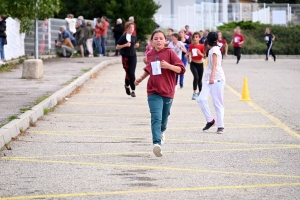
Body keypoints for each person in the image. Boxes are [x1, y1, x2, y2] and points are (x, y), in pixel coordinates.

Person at [134, 30, 186, 157]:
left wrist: (169, 66)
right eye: (155, 38)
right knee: (156, 117)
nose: (158, 40)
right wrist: (141, 78)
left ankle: (162, 131)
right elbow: (149, 69)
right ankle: (157, 144)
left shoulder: (170, 53)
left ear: (165, 41)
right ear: (152, 41)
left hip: (168, 91)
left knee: (164, 118)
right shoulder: (150, 54)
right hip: (153, 91)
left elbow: (181, 69)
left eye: (161, 38)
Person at [197, 32, 225, 134]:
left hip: (216, 79)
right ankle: (210, 120)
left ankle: (220, 126)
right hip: (208, 78)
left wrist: (212, 77)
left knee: (217, 103)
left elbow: (214, 65)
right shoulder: (213, 49)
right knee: (201, 99)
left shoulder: (214, 50)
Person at [116, 23, 139, 97]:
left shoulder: (134, 37)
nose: (132, 29)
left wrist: (136, 45)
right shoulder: (123, 37)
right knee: (128, 73)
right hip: (125, 57)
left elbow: (135, 45)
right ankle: (126, 86)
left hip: (133, 56)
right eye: (131, 27)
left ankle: (133, 90)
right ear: (127, 28)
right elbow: (117, 47)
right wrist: (125, 45)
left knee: (132, 73)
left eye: (133, 28)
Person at [185, 32, 205, 100]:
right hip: (193, 64)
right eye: (194, 37)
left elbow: (205, 57)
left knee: (199, 80)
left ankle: (201, 93)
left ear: (199, 38)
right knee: (196, 77)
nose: (195, 38)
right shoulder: (191, 45)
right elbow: (188, 53)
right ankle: (194, 93)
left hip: (200, 64)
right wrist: (187, 56)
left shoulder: (202, 46)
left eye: (197, 37)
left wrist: (200, 53)